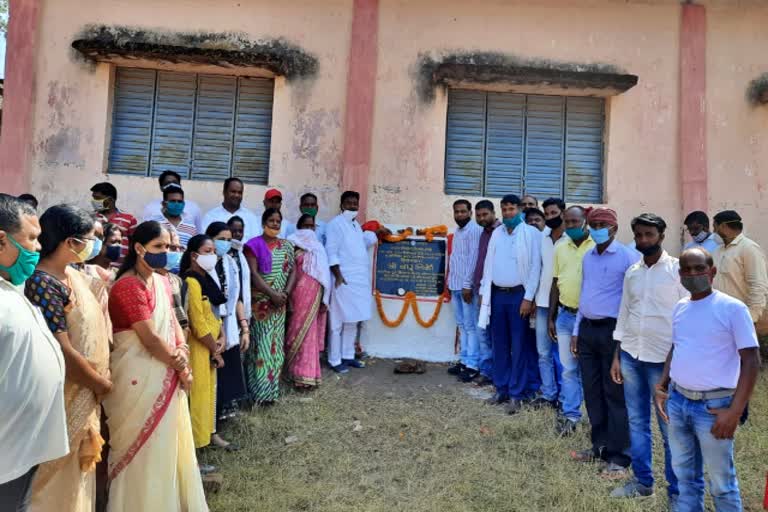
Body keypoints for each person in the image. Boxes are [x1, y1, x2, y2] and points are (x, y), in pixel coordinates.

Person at [104, 221, 207, 511]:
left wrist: (183, 352)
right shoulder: (127, 286)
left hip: (167, 371)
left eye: (169, 247)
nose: (166, 253)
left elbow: (174, 324)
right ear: (139, 249)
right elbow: (148, 338)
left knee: (167, 448)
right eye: (158, 247)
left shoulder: (162, 282)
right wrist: (179, 364)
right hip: (138, 379)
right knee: (143, 450)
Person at [655, 248, 760, 512]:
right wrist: (662, 385)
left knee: (722, 484)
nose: (693, 274)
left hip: (714, 408)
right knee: (685, 479)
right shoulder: (681, 307)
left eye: (699, 268)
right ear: (680, 275)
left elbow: (751, 360)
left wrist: (734, 412)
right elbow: (677, 347)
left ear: (711, 272)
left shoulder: (732, 308)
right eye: (687, 270)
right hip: (678, 403)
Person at [22, 204, 111, 512]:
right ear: (69, 241)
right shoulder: (43, 283)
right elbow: (62, 350)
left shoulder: (74, 277)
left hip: (86, 393)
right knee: (53, 479)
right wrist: (100, 383)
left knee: (78, 479)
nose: (94, 245)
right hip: (63, 397)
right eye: (89, 238)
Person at [609, 213, 686, 501]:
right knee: (637, 423)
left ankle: (677, 492)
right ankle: (643, 484)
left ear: (661, 236)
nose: (643, 240)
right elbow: (624, 313)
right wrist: (617, 355)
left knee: (669, 428)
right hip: (630, 355)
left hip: (663, 362)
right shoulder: (633, 272)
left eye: (649, 235)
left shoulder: (677, 271)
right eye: (639, 235)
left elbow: (685, 318)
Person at [0, 194, 68, 512]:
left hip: (21, 449)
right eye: (31, 238)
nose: (38, 247)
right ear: (1, 242)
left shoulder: (13, 290)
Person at [569, 207, 636, 479]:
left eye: (601, 224)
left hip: (612, 332)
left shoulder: (628, 257)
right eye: (592, 223)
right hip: (587, 330)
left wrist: (621, 343)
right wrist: (575, 330)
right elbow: (585, 293)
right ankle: (600, 446)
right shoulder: (588, 257)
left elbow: (631, 303)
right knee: (592, 392)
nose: (596, 228)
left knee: (615, 394)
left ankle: (620, 456)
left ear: (614, 229)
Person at [478, 194, 542, 414]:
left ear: (519, 210)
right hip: (497, 295)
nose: (508, 213)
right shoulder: (497, 233)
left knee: (519, 345)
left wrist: (528, 297)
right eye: (504, 209)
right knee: (500, 344)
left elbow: (535, 267)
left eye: (512, 209)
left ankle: (516, 393)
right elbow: (488, 265)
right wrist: (484, 292)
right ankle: (501, 389)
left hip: (519, 296)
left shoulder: (531, 234)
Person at [181, 234, 234, 458]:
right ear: (194, 256)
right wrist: (215, 348)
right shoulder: (191, 282)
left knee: (210, 394)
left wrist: (221, 336)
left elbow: (214, 313)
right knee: (199, 396)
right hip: (200, 348)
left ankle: (209, 434)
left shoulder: (206, 279)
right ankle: (196, 447)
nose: (213, 255)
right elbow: (197, 322)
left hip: (212, 345)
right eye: (207, 251)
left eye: (213, 251)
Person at [326, 191, 388, 374]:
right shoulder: (335, 225)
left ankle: (348, 356)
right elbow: (332, 251)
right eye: (349, 203)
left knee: (352, 321)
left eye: (355, 204)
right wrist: (337, 275)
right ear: (341, 204)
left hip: (358, 281)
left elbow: (361, 243)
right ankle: (335, 359)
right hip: (342, 279)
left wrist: (377, 233)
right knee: (337, 322)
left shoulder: (354, 226)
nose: (352, 207)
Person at [548, 206, 595, 436]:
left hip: (590, 319)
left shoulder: (597, 246)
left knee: (590, 371)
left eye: (575, 222)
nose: (571, 226)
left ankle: (595, 418)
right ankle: (570, 415)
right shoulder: (560, 246)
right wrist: (551, 316)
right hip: (565, 316)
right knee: (568, 369)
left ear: (585, 221)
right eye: (567, 222)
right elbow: (555, 282)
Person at [243, 208, 296, 403]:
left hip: (279, 305)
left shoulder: (287, 246)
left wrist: (285, 294)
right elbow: (253, 274)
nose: (275, 224)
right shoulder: (252, 245)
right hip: (261, 306)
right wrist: (272, 294)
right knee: (261, 348)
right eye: (271, 220)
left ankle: (272, 392)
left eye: (278, 221)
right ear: (263, 222)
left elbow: (292, 272)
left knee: (276, 348)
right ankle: (259, 394)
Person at [205, 223, 250, 428]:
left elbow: (237, 298)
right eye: (220, 239)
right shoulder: (205, 264)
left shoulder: (231, 263)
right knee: (212, 372)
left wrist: (245, 328)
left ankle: (222, 416)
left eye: (228, 240)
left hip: (230, 324)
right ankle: (209, 422)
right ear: (210, 239)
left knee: (229, 372)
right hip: (210, 325)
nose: (225, 243)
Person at [285, 214, 332, 388]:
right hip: (295, 295)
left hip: (313, 296)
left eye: (311, 226)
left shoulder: (319, 247)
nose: (308, 229)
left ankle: (307, 376)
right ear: (298, 227)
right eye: (305, 225)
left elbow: (325, 276)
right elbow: (287, 270)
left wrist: (324, 298)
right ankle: (291, 373)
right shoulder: (290, 244)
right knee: (293, 331)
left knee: (309, 334)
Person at [532, 198, 567, 409]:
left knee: (562, 355)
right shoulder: (543, 238)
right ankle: (548, 394)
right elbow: (538, 269)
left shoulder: (570, 239)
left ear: (562, 212)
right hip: (543, 302)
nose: (551, 217)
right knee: (543, 352)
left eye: (554, 213)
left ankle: (565, 397)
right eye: (548, 214)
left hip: (563, 305)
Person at [712, 210, 768, 326]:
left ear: (723, 226)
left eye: (715, 227)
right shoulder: (718, 251)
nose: (713, 232)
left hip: (741, 317)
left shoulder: (749, 248)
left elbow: (758, 286)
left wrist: (752, 317)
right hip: (719, 316)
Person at [446, 199, 482, 382]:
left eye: (463, 211)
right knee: (461, 325)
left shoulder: (475, 230)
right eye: (456, 212)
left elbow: (473, 260)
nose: (459, 215)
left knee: (470, 326)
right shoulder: (458, 232)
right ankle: (463, 360)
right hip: (455, 285)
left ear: (470, 213)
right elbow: (456, 259)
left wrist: (468, 285)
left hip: (466, 288)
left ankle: (472, 365)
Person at [470, 199, 501, 386]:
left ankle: (496, 373)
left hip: (493, 293)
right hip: (480, 290)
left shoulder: (500, 231)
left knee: (493, 335)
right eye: (478, 215)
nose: (481, 218)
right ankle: (486, 371)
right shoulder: (483, 232)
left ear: (493, 212)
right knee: (482, 334)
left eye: (485, 215)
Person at [90, 182, 137, 268]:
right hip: (95, 266)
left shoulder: (129, 218)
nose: (94, 201)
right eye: (93, 198)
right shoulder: (90, 218)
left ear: (110, 199)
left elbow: (133, 244)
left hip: (120, 268)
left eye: (98, 198)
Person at [148, 184, 198, 250]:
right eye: (173, 201)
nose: (177, 204)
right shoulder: (153, 223)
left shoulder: (191, 226)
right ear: (164, 204)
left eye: (180, 201)